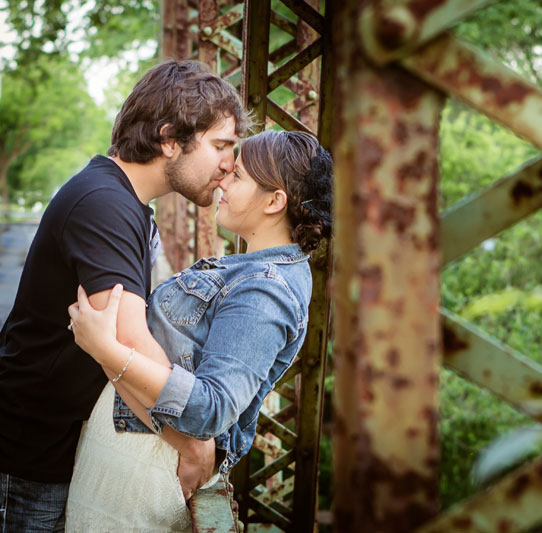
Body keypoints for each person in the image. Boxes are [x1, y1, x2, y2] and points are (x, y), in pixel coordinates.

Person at [0, 59, 250, 532]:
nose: (228, 164)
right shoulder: (104, 204)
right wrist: (192, 443)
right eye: (220, 145)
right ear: (170, 138)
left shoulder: (124, 202)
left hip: (49, 447)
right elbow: (127, 342)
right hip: (26, 457)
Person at [64, 130, 333, 531]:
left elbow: (211, 409)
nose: (223, 179)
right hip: (134, 459)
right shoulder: (254, 270)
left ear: (275, 201)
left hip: (144, 473)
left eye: (238, 176)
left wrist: (107, 350)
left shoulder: (266, 289)